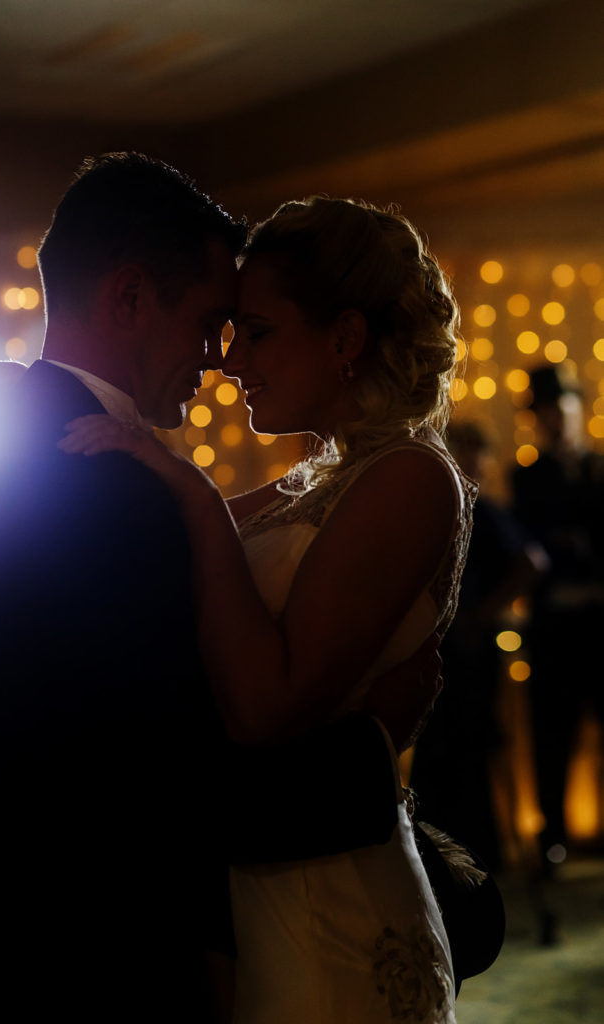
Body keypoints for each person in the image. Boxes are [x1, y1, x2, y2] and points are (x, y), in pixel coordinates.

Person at [0, 154, 442, 1019]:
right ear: (129, 298)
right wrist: (370, 757)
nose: (219, 359)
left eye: (244, 330)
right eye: (211, 323)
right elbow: (162, 782)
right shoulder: (119, 488)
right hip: (98, 951)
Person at [59, 195, 480, 1022]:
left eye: (254, 332)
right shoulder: (309, 482)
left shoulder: (410, 478)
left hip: (325, 892)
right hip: (246, 880)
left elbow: (262, 708)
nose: (228, 361)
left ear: (344, 339)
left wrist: (187, 486)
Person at [410, 419, 547, 873]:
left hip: (465, 649)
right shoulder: (442, 508)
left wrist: (479, 617)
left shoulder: (479, 510)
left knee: (464, 750)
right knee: (443, 752)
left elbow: (530, 562)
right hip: (444, 647)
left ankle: (471, 857)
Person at [510, 364, 604, 879]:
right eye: (547, 413)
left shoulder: (599, 470)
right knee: (551, 737)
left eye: (561, 411)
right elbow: (537, 544)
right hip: (554, 631)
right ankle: (553, 842)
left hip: (596, 624)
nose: (555, 421)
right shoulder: (528, 477)